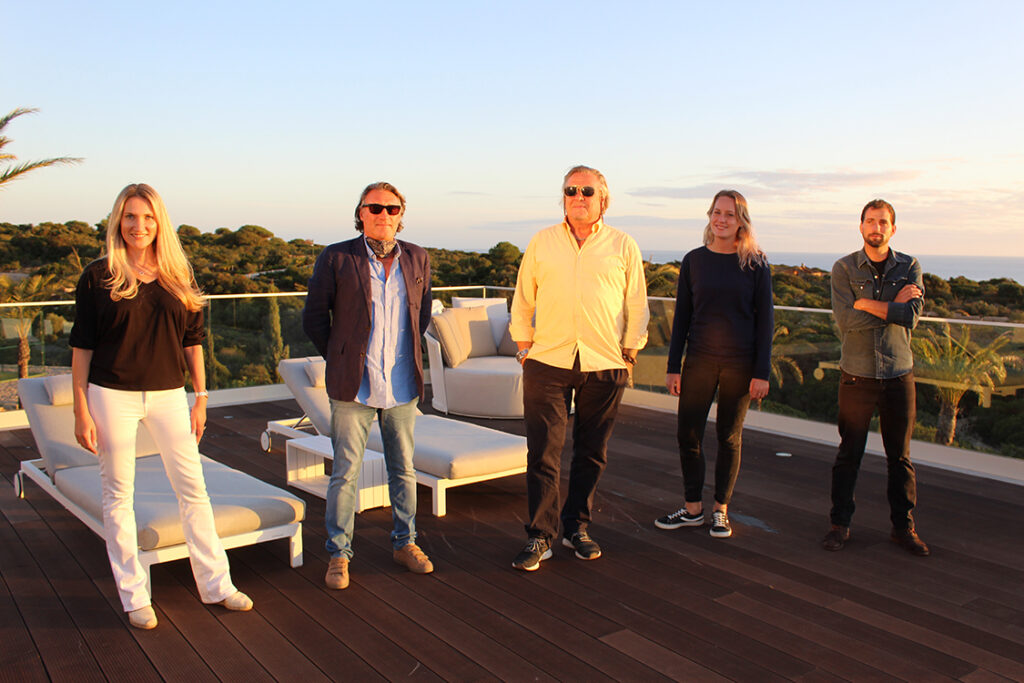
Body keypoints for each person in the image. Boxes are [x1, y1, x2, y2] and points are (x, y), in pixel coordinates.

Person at [70, 183, 252, 630]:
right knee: (119, 494)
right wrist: (80, 409)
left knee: (193, 489)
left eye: (148, 217)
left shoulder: (177, 273)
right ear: (118, 220)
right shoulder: (98, 276)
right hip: (111, 395)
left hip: (170, 395)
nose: (139, 226)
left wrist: (201, 397)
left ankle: (217, 585)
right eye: (130, 216)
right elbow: (82, 347)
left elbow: (193, 341)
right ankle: (135, 597)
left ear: (159, 222)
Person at [509, 165, 649, 571]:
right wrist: (524, 349)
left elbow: (637, 303)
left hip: (605, 363)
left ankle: (577, 528)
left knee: (591, 453)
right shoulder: (543, 241)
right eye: (571, 190)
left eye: (587, 190)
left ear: (603, 198)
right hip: (547, 362)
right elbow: (523, 298)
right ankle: (540, 535)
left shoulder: (623, 244)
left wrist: (629, 354)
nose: (578, 197)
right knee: (543, 452)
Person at [303, 181, 434, 590]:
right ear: (361, 213)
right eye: (374, 208)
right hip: (354, 386)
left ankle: (405, 543)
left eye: (391, 208)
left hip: (401, 384)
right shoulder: (337, 257)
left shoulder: (418, 257)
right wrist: (341, 357)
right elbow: (314, 317)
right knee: (345, 473)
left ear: (401, 215)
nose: (383, 215)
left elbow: (422, 315)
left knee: (404, 469)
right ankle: (339, 555)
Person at [655, 190, 773, 539]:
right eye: (717, 212)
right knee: (688, 435)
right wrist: (673, 366)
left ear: (741, 221)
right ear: (710, 216)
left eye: (730, 214)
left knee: (729, 437)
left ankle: (721, 510)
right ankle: (692, 509)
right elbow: (682, 318)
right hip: (700, 361)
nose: (721, 219)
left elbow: (765, 322)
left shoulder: (756, 263)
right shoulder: (694, 260)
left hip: (740, 364)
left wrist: (761, 372)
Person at [823, 199, 929, 556]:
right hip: (857, 375)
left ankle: (904, 528)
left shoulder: (909, 266)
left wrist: (865, 303)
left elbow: (911, 317)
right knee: (848, 454)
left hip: (899, 374)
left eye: (883, 222)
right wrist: (893, 305)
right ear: (861, 226)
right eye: (870, 221)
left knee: (900, 458)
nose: (876, 227)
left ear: (893, 228)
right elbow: (846, 320)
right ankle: (839, 525)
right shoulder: (843, 268)